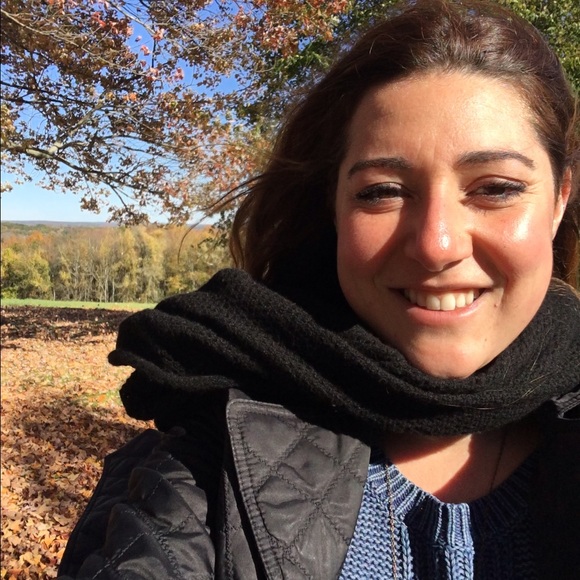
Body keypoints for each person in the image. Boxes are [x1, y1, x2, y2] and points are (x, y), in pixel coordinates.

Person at [58, 0, 579, 578]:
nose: (436, 245)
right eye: (382, 192)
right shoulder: (210, 460)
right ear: (333, 207)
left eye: (496, 188)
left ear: (560, 198)